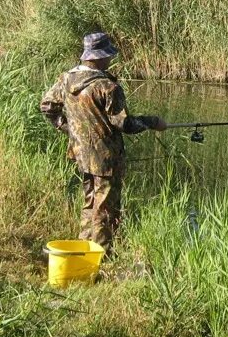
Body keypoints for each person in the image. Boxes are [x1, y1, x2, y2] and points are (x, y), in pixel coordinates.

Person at [40, 32, 166, 250]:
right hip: (106, 158)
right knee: (106, 208)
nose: (110, 59)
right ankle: (101, 254)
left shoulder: (66, 79)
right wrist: (153, 122)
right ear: (98, 57)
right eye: (108, 55)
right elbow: (125, 124)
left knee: (90, 202)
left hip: (81, 154)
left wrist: (70, 130)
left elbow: (47, 106)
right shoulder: (107, 87)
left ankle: (84, 247)